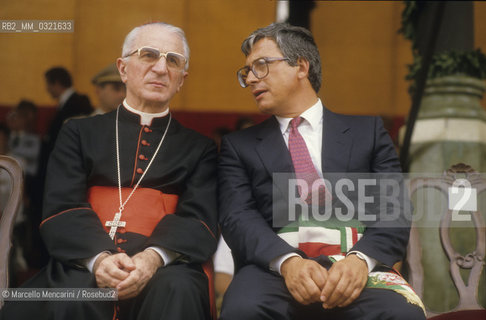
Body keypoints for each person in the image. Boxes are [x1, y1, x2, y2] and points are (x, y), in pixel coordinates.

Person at [0, 22, 218, 320]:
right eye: (148, 55)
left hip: (165, 268)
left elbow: (198, 219)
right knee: (71, 296)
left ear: (182, 79)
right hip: (85, 259)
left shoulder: (201, 148)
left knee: (178, 289)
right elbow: (61, 206)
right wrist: (99, 259)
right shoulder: (78, 132)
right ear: (123, 68)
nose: (160, 68)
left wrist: (151, 259)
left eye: (173, 60)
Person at [218, 23, 425, 320]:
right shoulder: (239, 146)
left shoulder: (368, 133)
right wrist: (288, 262)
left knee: (403, 314)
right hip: (273, 270)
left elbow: (394, 209)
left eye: (261, 66)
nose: (250, 78)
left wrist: (360, 261)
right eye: (247, 71)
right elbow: (237, 217)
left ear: (301, 67)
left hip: (356, 266)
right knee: (242, 310)